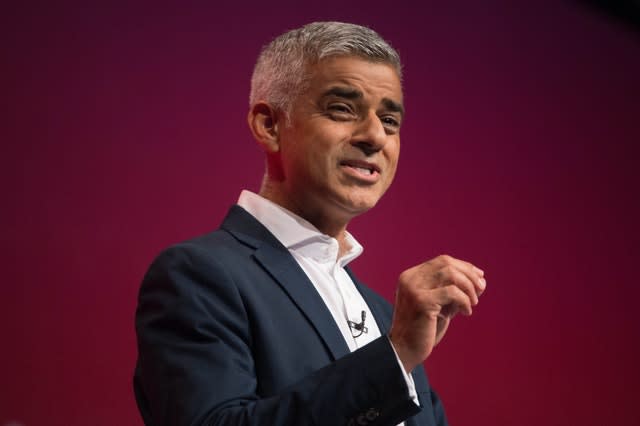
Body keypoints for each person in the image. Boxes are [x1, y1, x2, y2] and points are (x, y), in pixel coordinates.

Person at [133, 21, 486, 426]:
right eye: (342, 109)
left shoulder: (384, 314)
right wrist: (395, 354)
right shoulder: (200, 276)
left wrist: (397, 349)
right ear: (269, 126)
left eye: (390, 121)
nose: (375, 136)